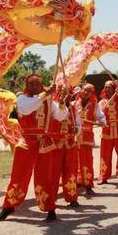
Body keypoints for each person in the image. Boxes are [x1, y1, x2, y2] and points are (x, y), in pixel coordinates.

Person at [0, 75, 68, 222]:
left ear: (41, 85)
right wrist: (46, 94)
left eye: (38, 83)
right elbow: (27, 108)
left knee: (45, 176)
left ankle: (49, 208)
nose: (35, 86)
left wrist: (61, 104)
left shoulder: (48, 100)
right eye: (31, 84)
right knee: (19, 175)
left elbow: (60, 117)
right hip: (27, 141)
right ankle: (9, 205)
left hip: (44, 142)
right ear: (27, 86)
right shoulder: (22, 99)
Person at [34, 89, 80, 221]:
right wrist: (60, 104)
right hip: (54, 146)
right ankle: (51, 204)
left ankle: (72, 198)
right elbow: (57, 117)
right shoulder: (52, 105)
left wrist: (77, 129)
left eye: (67, 94)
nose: (65, 96)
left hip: (69, 144)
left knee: (70, 172)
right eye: (62, 93)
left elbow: (78, 123)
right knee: (52, 176)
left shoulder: (72, 108)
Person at [75, 84, 105, 194]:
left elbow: (101, 117)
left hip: (87, 137)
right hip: (74, 137)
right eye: (85, 90)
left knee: (87, 161)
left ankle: (88, 185)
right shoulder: (74, 104)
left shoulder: (95, 105)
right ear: (81, 90)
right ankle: (77, 183)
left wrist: (101, 121)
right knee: (75, 161)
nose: (86, 92)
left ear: (92, 93)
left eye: (89, 91)